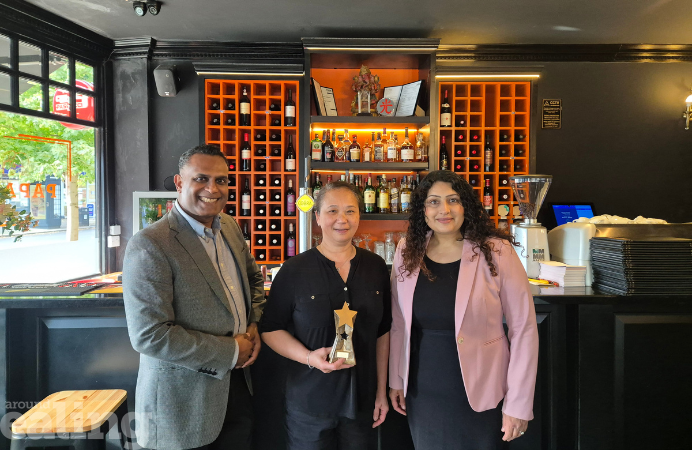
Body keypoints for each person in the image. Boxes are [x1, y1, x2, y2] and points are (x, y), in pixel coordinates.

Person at [123, 144, 265, 450]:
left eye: (222, 180)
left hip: (238, 389)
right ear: (179, 182)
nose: (212, 189)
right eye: (201, 179)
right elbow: (149, 336)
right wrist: (229, 351)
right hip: (183, 405)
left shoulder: (228, 226)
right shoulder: (150, 244)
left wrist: (254, 323)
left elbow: (254, 279)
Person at [388, 170, 539, 450]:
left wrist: (518, 403)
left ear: (465, 206)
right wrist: (396, 379)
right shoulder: (408, 248)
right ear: (423, 209)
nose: (443, 210)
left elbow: (524, 329)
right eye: (433, 201)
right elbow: (399, 323)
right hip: (424, 390)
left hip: (482, 390)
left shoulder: (496, 250)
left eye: (452, 200)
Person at [260, 181, 391, 450]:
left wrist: (381, 392)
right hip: (310, 404)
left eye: (350, 211)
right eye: (332, 211)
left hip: (362, 401)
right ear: (317, 217)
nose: (342, 219)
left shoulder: (376, 267)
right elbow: (270, 329)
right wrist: (309, 357)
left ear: (359, 216)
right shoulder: (295, 269)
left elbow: (383, 332)